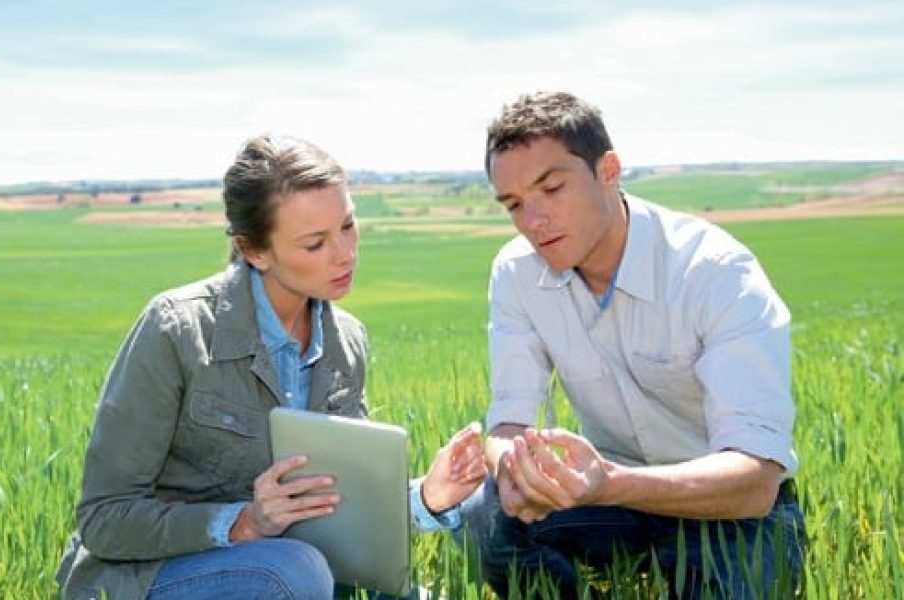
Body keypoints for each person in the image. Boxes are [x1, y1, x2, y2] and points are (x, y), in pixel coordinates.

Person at [55, 134, 487, 600]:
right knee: (293, 571)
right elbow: (105, 518)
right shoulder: (176, 330)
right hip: (149, 576)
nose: (345, 253)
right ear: (254, 251)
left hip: (292, 569)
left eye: (348, 225)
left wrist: (427, 498)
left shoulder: (347, 342)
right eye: (315, 243)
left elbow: (342, 509)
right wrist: (243, 521)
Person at [465, 91, 805, 599]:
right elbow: (508, 422)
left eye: (552, 188)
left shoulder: (715, 272)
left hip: (725, 505)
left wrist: (610, 482)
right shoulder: (516, 272)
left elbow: (755, 482)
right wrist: (514, 470)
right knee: (482, 515)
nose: (532, 221)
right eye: (514, 204)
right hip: (608, 501)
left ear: (609, 170)